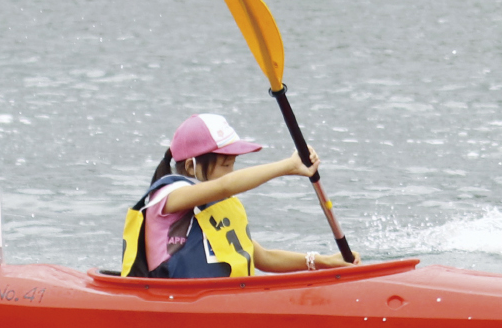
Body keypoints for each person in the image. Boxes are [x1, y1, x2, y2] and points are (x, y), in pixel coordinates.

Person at [116, 112, 339, 278]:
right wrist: (288, 166)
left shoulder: (214, 206)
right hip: (175, 303)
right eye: (225, 164)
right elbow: (225, 186)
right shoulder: (169, 196)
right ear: (191, 167)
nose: (230, 172)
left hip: (218, 300)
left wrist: (322, 262)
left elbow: (263, 257)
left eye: (232, 165)